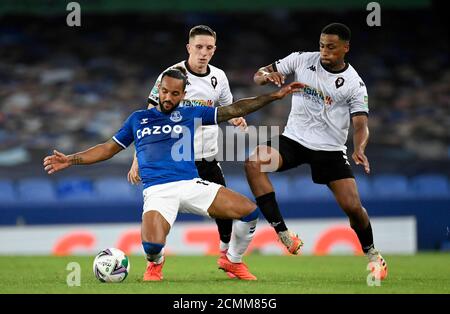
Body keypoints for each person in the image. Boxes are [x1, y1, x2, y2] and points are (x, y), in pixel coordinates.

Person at [43, 67, 303, 281]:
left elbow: (234, 109)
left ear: (182, 94)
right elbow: (107, 149)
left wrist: (273, 96)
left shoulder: (191, 114)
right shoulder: (138, 119)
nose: (168, 97)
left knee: (248, 210)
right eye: (165, 91)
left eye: (174, 93)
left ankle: (232, 260)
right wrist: (71, 159)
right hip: (158, 191)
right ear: (159, 90)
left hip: (191, 184)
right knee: (152, 246)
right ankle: (155, 263)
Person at [245, 23, 387, 279]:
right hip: (294, 139)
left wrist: (360, 147)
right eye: (321, 45)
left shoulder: (354, 84)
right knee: (253, 162)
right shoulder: (300, 60)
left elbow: (361, 125)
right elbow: (258, 75)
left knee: (353, 207)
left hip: (329, 149)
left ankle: (373, 254)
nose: (324, 51)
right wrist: (266, 76)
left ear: (346, 48)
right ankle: (283, 233)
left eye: (331, 47)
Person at [127, 25, 249, 279]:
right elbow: (149, 119)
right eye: (199, 47)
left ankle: (228, 258)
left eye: (209, 48)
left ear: (214, 49)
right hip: (174, 161)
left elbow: (227, 108)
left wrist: (236, 119)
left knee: (225, 215)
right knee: (164, 214)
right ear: (189, 48)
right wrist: (136, 160)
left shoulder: (219, 77)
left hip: (207, 156)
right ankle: (155, 262)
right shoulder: (171, 76)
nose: (204, 53)